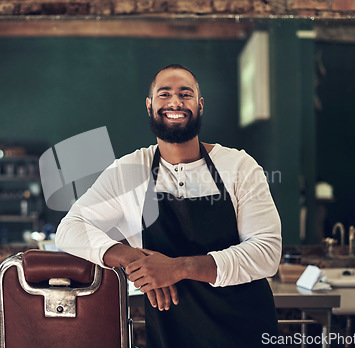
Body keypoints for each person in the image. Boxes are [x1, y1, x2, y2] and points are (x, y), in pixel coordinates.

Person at [56, 64, 282, 347]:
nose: (175, 102)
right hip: (172, 332)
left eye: (185, 94)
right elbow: (69, 229)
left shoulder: (239, 166)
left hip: (245, 329)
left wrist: (179, 268)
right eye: (165, 94)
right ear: (150, 106)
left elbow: (266, 252)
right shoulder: (129, 171)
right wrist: (130, 258)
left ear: (200, 106)